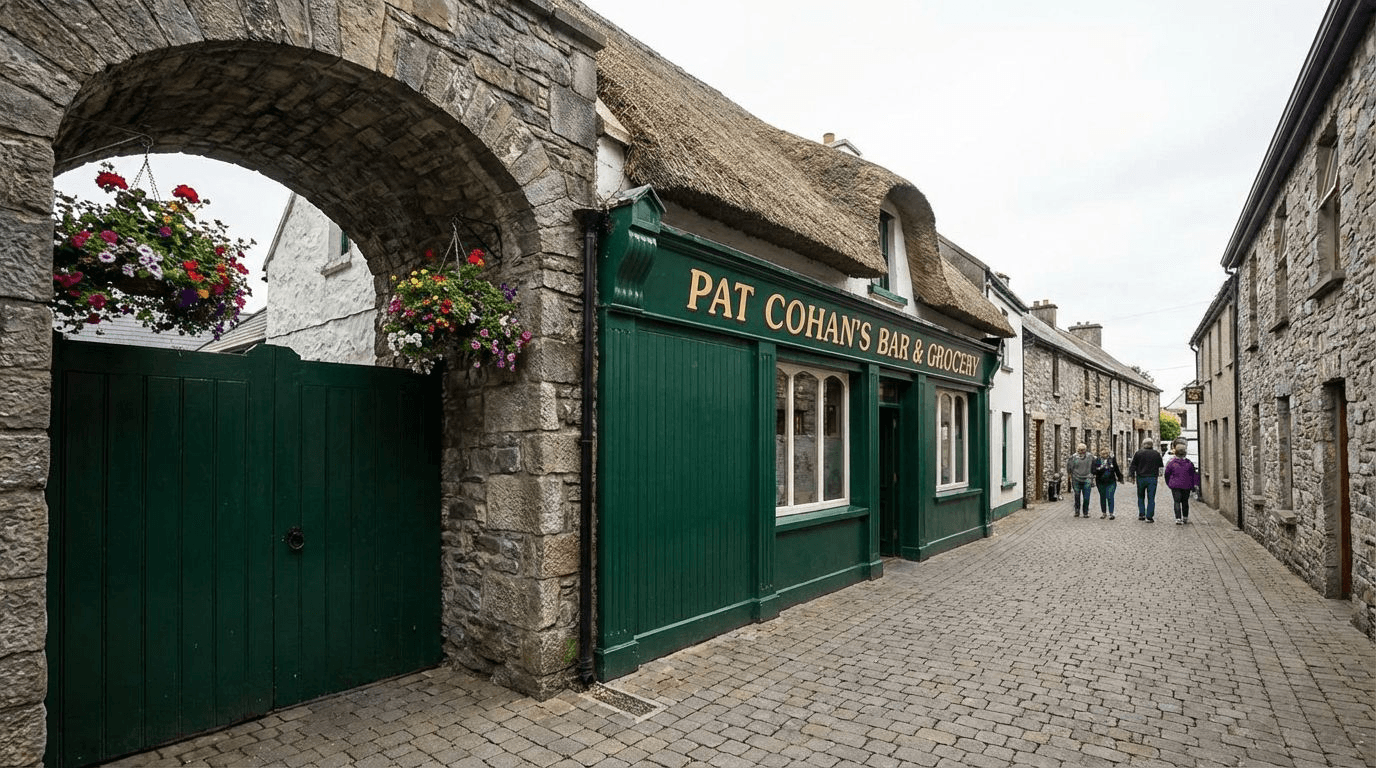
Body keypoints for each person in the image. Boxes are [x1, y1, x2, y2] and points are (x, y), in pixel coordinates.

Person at [1129, 439, 1164, 522]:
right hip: (1152, 478)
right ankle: (1149, 516)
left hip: (1141, 477)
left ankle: (1142, 514)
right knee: (1151, 497)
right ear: (1152, 445)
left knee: (1141, 496)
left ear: (1143, 444)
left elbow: (1133, 465)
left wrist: (1131, 475)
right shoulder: (1156, 454)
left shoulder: (1138, 453)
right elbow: (1160, 466)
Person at [1164, 445, 1201, 524]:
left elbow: (1167, 474)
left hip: (1175, 485)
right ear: (1185, 453)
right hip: (1186, 485)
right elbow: (1194, 474)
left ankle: (1178, 518)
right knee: (1185, 501)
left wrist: (1169, 483)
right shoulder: (1189, 463)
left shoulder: (1172, 463)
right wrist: (1194, 484)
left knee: (1176, 501)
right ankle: (1185, 517)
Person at [1092, 447, 1123, 519]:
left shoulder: (1112, 460)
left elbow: (1116, 469)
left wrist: (1120, 478)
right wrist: (1099, 468)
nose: (1105, 455)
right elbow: (1093, 471)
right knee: (1102, 497)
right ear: (1100, 454)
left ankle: (1111, 513)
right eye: (1103, 454)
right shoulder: (1097, 460)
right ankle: (1104, 513)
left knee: (1110, 496)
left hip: (1111, 481)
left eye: (1106, 454)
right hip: (1100, 481)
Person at [1066, 443, 1094, 518]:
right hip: (1076, 478)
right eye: (1080, 450)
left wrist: (1093, 475)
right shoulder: (1073, 457)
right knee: (1077, 495)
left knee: (1086, 497)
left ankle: (1085, 512)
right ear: (1078, 450)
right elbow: (1069, 468)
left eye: (1083, 450)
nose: (1082, 451)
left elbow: (1094, 466)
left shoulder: (1090, 457)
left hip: (1087, 478)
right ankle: (1077, 511)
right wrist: (1070, 476)